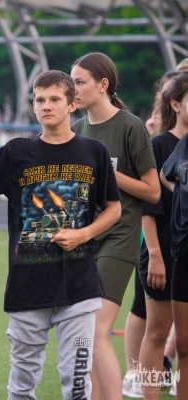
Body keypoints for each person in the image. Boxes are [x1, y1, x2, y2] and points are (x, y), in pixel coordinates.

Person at [0, 70, 121, 399]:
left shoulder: (94, 151)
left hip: (80, 287)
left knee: (77, 384)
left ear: (72, 104)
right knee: (22, 385)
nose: (46, 105)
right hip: (28, 286)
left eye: (54, 99)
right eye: (39, 100)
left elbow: (114, 208)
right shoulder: (16, 152)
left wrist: (82, 234)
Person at [70, 52, 160, 400]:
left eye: (80, 82)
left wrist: (109, 174)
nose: (73, 89)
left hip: (120, 238)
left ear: (102, 84)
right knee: (83, 332)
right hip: (85, 238)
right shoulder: (77, 129)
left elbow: (152, 191)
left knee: (95, 331)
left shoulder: (129, 126)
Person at [121, 69, 180, 398]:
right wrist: (155, 255)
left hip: (183, 254)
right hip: (162, 251)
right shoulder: (158, 143)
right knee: (154, 330)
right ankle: (143, 385)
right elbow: (149, 204)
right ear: (175, 104)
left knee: (183, 338)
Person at [161, 101, 188, 400]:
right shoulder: (185, 143)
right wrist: (180, 194)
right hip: (183, 254)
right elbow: (165, 174)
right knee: (183, 345)